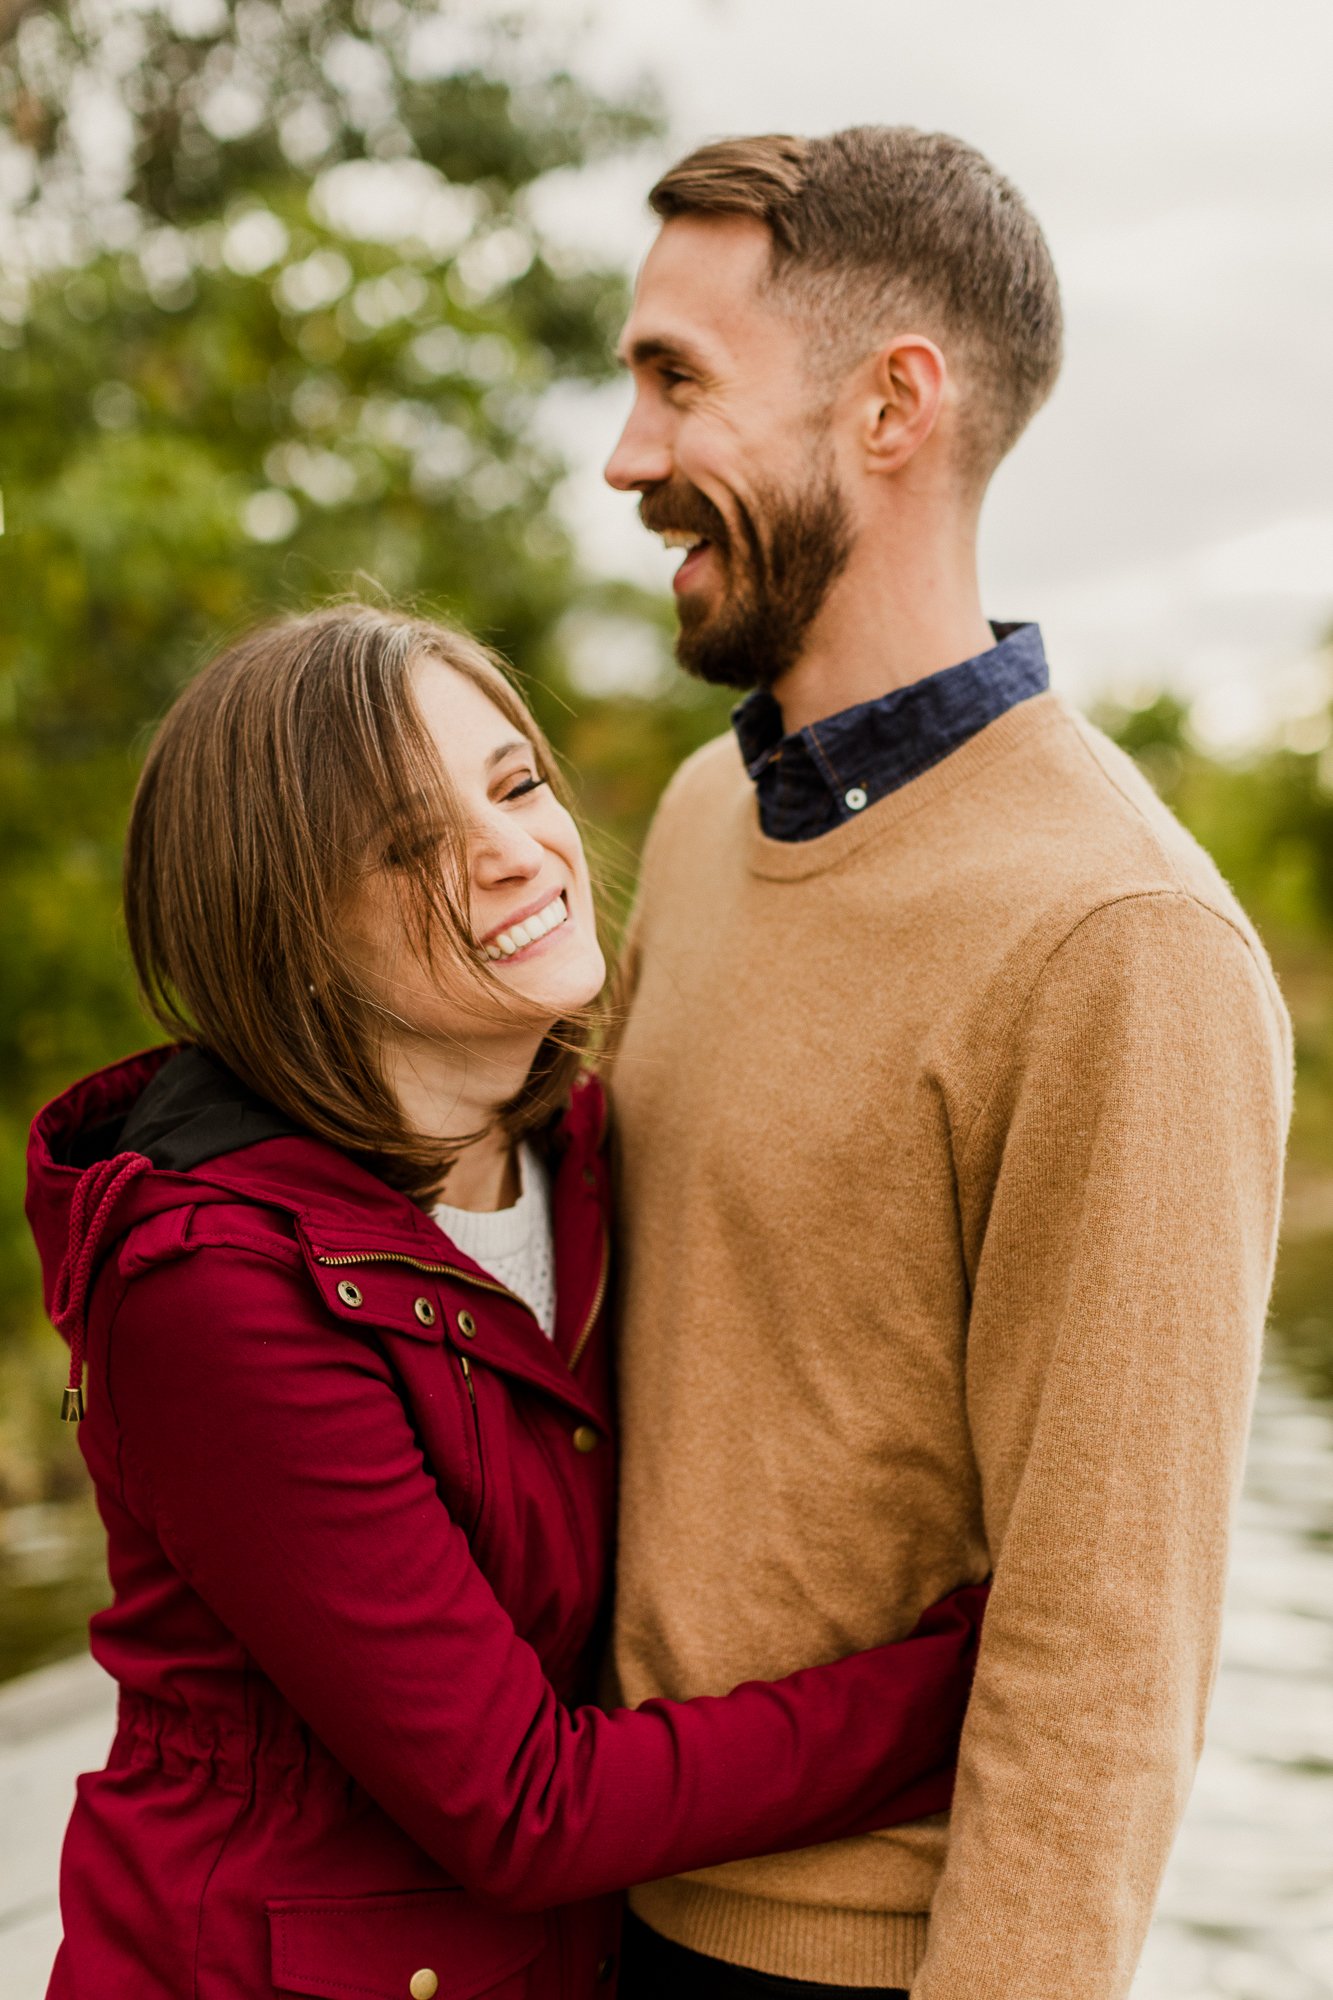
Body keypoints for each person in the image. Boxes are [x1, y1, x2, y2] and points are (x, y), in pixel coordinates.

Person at [25, 606, 987, 2000]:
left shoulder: (585, 1151)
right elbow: (520, 1809)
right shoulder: (216, 1284)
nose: (511, 852)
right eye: (408, 848)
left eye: (515, 782)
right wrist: (992, 1675)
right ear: (287, 933)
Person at [603, 127, 1293, 2000]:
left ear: (893, 404)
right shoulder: (690, 817)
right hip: (586, 1898)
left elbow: (1102, 1657)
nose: (627, 456)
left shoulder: (1119, 943)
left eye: (678, 380)